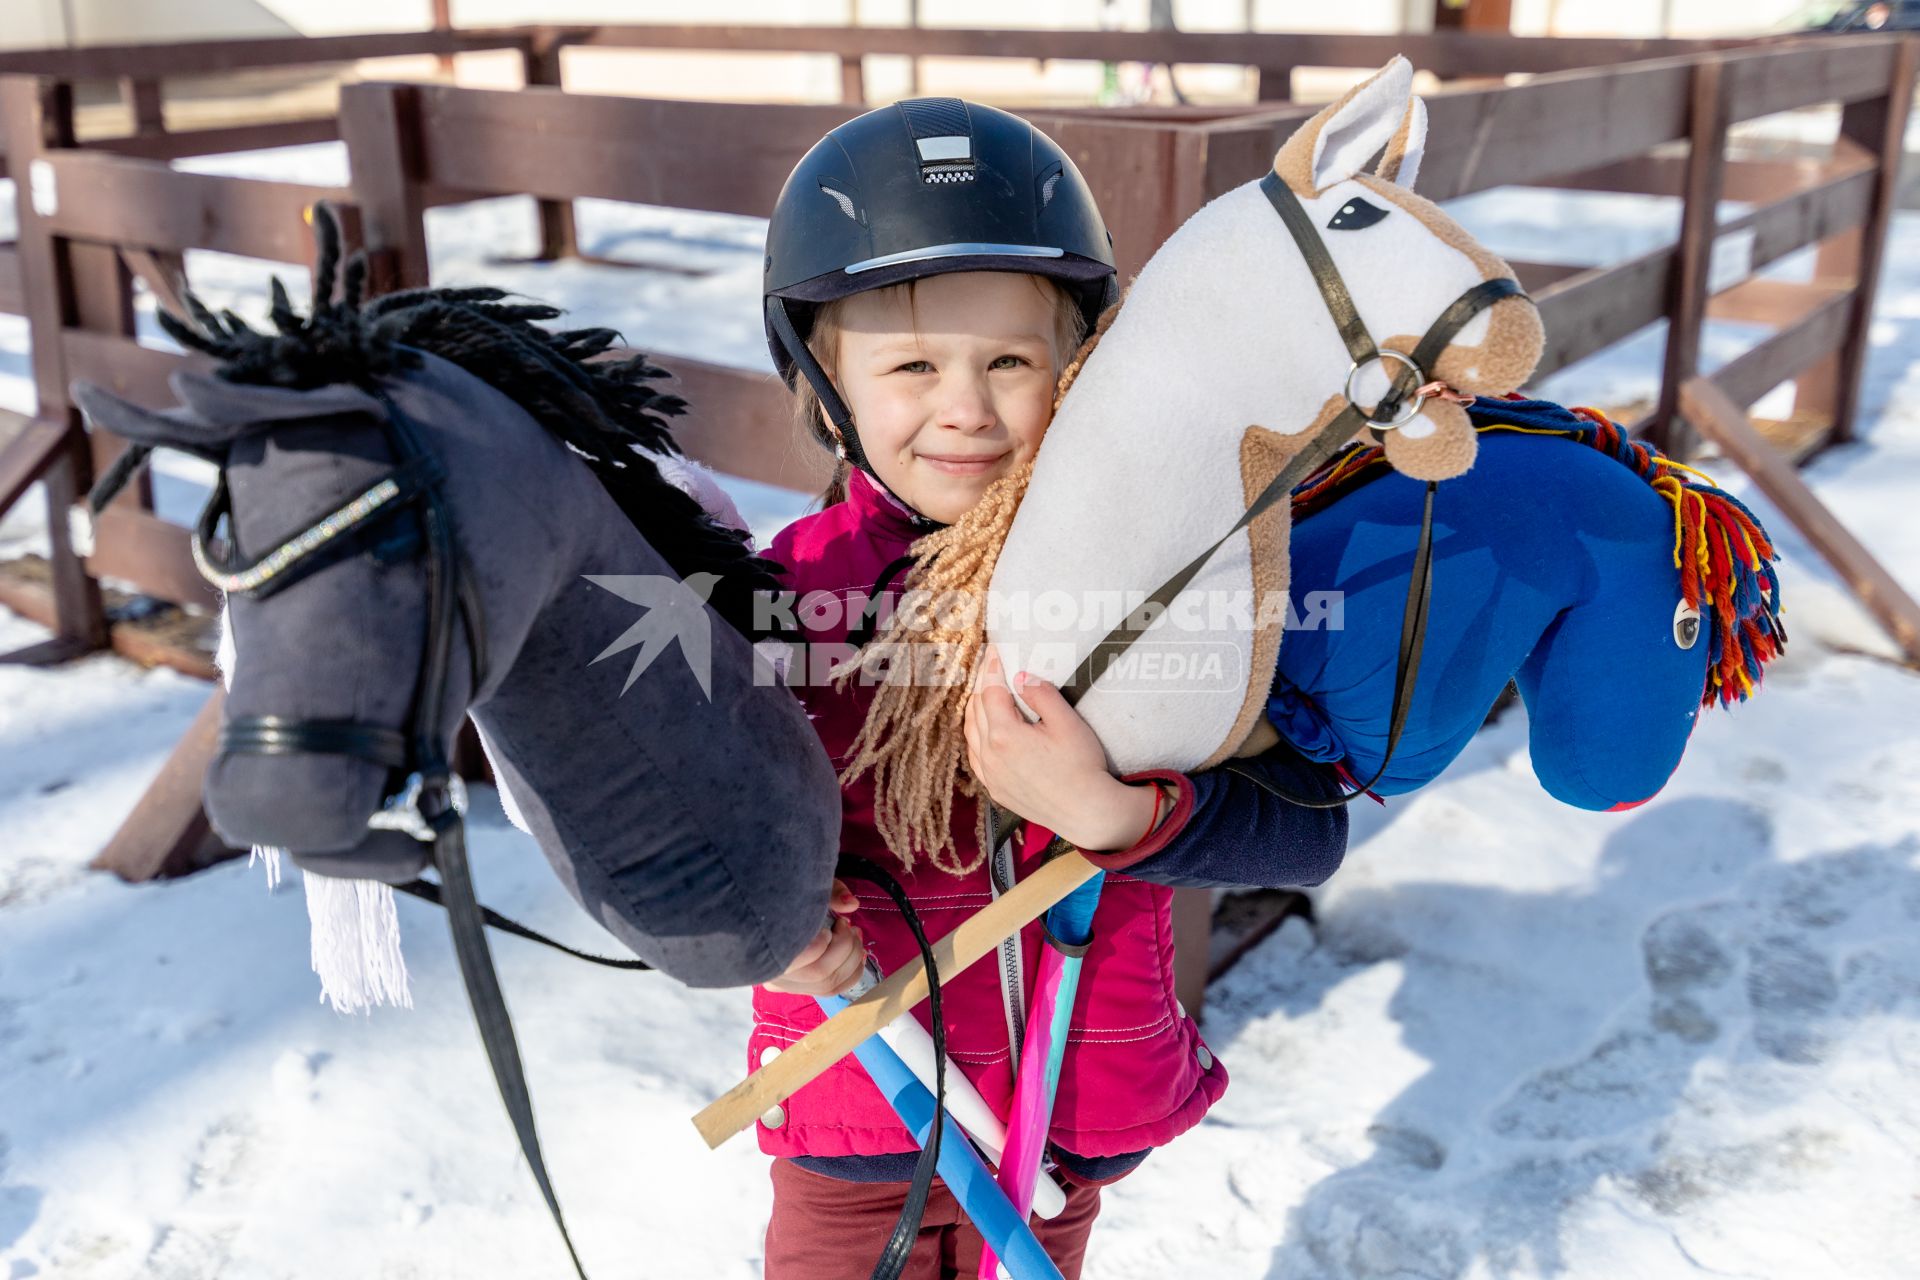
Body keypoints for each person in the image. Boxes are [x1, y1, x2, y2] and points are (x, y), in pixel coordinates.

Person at [751, 98, 1350, 1280]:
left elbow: (1307, 829)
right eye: (913, 363)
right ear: (828, 391)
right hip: (853, 1112)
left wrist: (1124, 817)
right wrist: (763, 933)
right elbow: (688, 827)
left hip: (1059, 1123)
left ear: (1081, 375)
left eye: (1011, 361)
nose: (967, 405)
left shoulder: (1169, 590)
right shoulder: (785, 597)